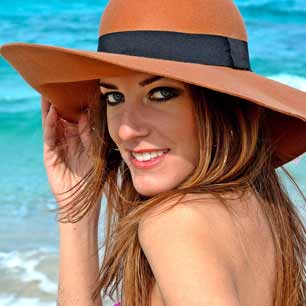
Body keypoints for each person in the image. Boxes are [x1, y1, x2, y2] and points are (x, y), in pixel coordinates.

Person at [1, 1, 306, 306]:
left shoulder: (175, 222)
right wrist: (75, 211)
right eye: (114, 97)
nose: (126, 130)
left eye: (161, 94)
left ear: (219, 107)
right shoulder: (257, 211)